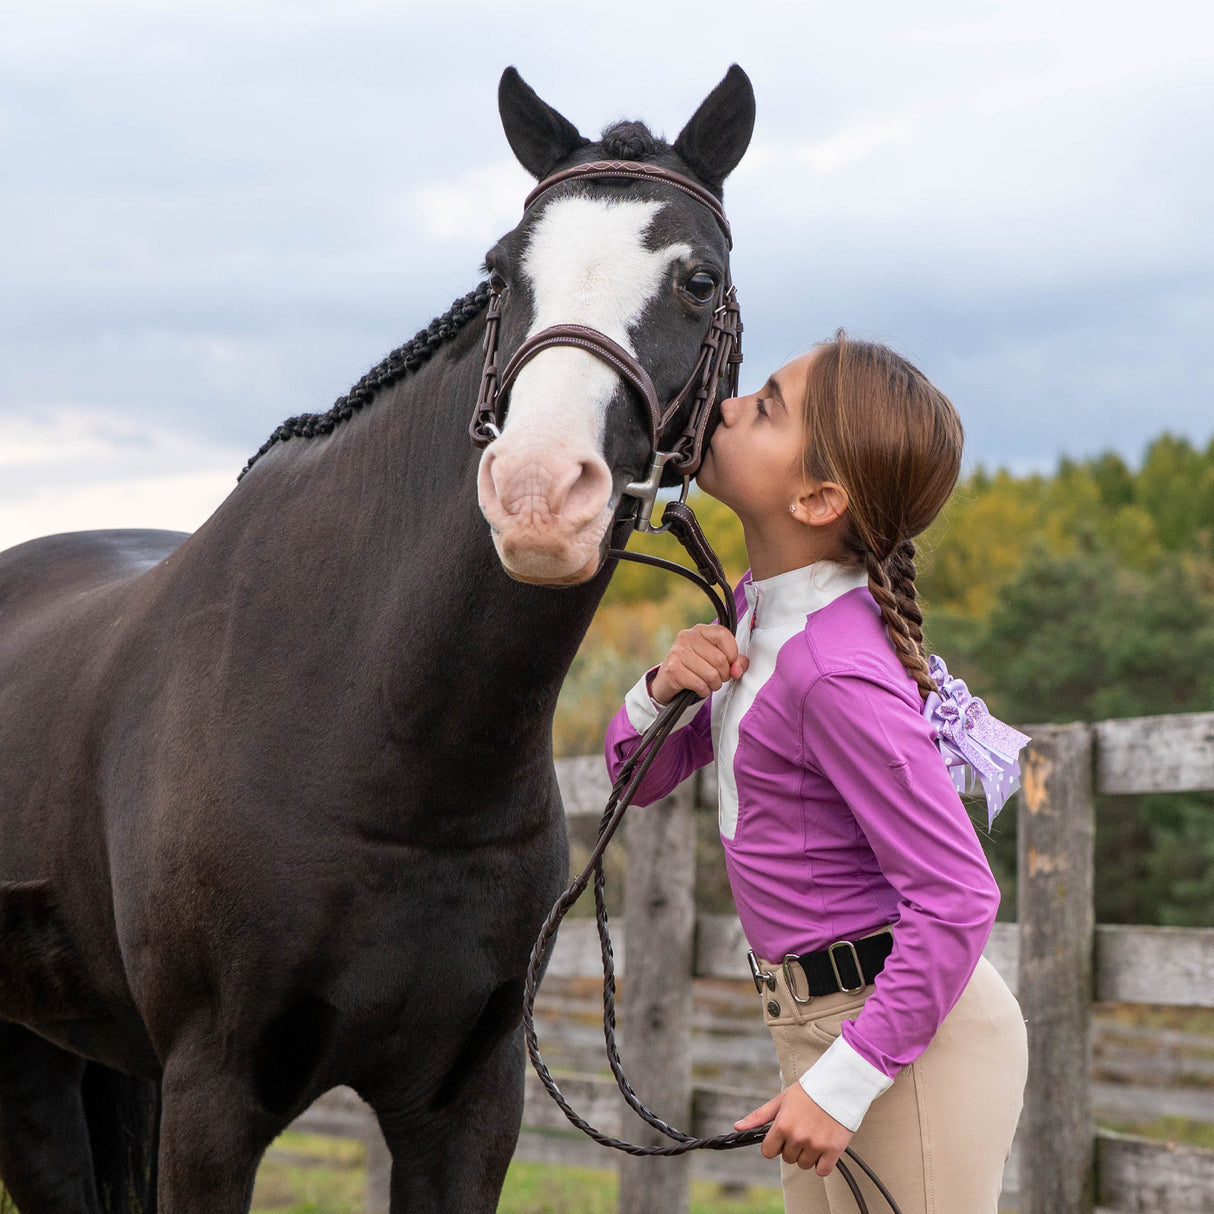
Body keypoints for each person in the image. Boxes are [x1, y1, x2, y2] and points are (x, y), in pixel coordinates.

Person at [604, 332, 1029, 1214]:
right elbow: (635, 783)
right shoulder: (758, 616)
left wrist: (846, 1080)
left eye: (763, 407)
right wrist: (659, 690)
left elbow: (958, 896)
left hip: (901, 1049)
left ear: (819, 496)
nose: (724, 407)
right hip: (818, 1029)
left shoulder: (834, 671)